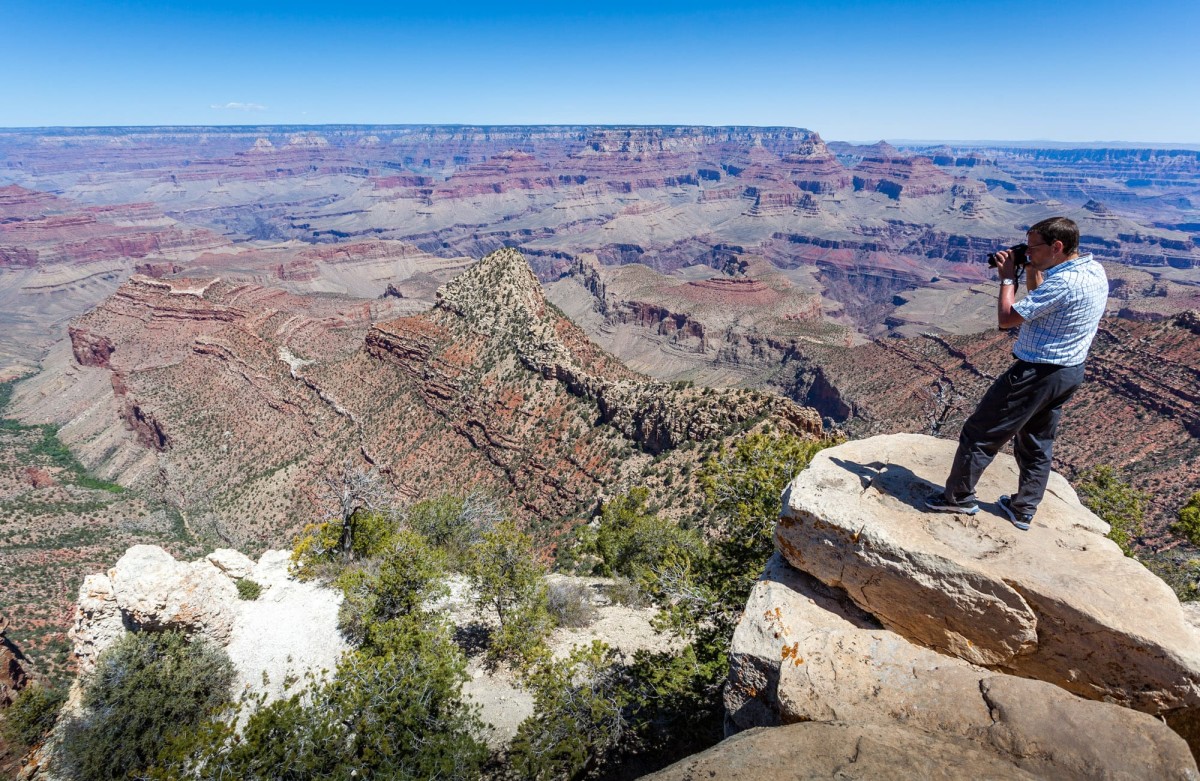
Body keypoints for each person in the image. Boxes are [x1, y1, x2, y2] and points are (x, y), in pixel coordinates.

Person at [924, 216, 1108, 530]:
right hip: (1068, 373)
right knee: (1036, 441)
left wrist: (1008, 278)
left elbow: (1008, 319)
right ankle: (1023, 510)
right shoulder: (1092, 270)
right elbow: (1043, 303)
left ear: (1057, 246)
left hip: (1036, 374)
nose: (1028, 252)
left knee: (979, 434)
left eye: (1034, 248)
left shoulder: (1065, 282)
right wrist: (1033, 268)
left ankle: (957, 498)